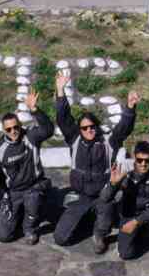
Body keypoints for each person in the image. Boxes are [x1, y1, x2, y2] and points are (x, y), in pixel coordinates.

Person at [53, 71, 140, 253]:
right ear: (80, 130)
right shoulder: (75, 140)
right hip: (81, 195)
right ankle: (87, 217)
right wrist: (60, 91)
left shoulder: (109, 142)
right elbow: (63, 118)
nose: (89, 130)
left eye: (92, 126)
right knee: (60, 238)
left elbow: (123, 129)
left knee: (105, 214)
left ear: (97, 127)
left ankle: (100, 232)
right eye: (85, 128)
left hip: (104, 195)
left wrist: (130, 108)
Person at [0, 88, 54, 245]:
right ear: (3, 130)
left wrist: (34, 110)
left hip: (33, 186)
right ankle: (18, 214)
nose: (13, 131)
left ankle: (30, 228)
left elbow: (48, 129)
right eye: (9, 129)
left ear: (20, 125)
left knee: (33, 200)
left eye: (16, 127)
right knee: (4, 236)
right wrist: (3, 195)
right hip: (13, 191)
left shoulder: (30, 137)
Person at [100, 141, 149, 276]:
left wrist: (137, 222)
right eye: (139, 160)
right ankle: (140, 233)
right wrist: (113, 184)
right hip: (129, 211)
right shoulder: (122, 168)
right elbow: (104, 198)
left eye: (147, 160)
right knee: (125, 254)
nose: (143, 164)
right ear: (134, 158)